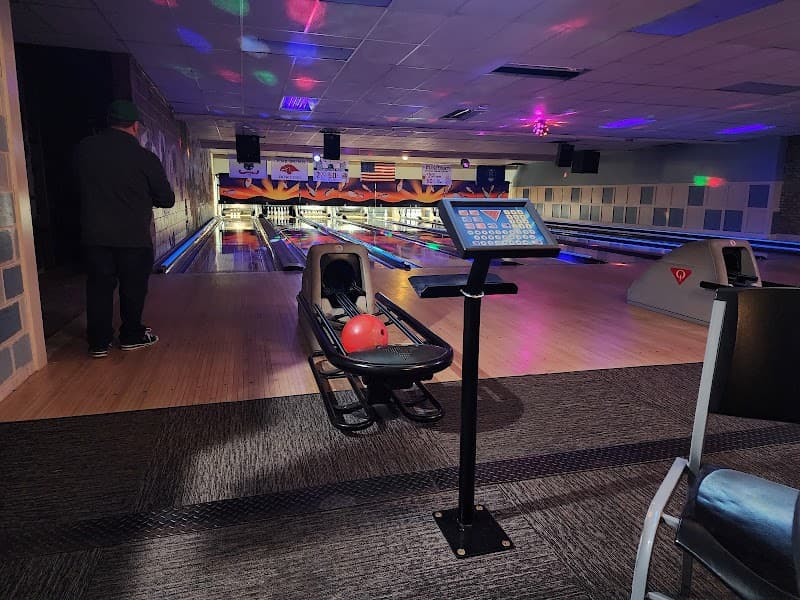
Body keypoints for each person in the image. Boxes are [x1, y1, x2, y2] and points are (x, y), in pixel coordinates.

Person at [74, 100, 175, 358]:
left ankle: (98, 342)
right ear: (135, 126)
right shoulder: (144, 157)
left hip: (95, 235)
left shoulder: (84, 150)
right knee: (133, 288)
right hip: (133, 237)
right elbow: (167, 199)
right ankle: (131, 334)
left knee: (98, 288)